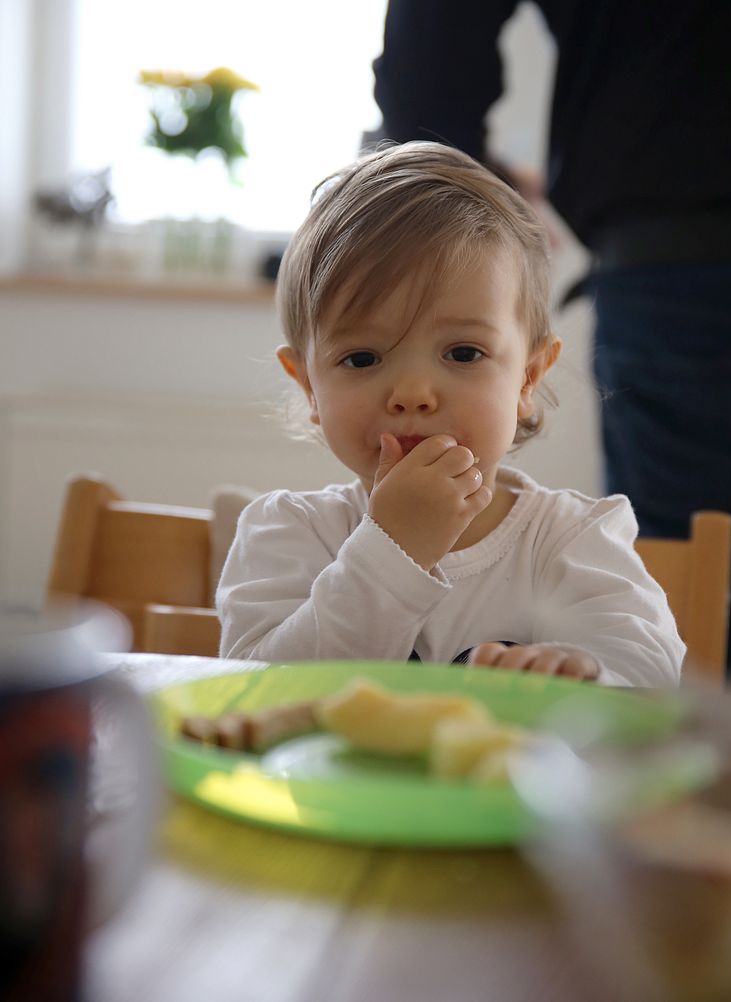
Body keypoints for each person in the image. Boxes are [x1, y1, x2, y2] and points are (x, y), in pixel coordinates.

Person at [372, 1, 731, 674]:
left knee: (727, 645)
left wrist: (454, 212)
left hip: (694, 257)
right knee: (705, 631)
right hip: (693, 263)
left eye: (463, 352)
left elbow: (435, 44)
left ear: (530, 376)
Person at [217, 142, 684, 687]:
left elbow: (650, 678)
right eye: (361, 358)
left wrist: (586, 678)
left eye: (463, 353)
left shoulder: (570, 539)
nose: (412, 393)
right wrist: (391, 551)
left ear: (528, 378)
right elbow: (256, 694)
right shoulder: (289, 533)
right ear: (309, 387)